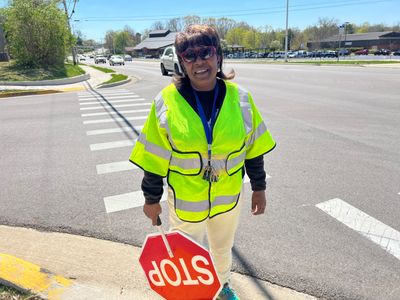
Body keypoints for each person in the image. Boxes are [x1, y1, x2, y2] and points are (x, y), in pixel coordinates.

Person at [129, 24, 276, 300]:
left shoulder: (241, 99)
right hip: (185, 202)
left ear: (218, 55)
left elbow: (254, 149)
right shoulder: (166, 102)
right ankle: (190, 295)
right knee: (184, 255)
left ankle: (221, 288)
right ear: (181, 62)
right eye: (189, 55)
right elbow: (153, 157)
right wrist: (151, 200)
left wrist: (259, 187)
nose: (199, 61)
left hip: (227, 198)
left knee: (222, 249)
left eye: (205, 52)